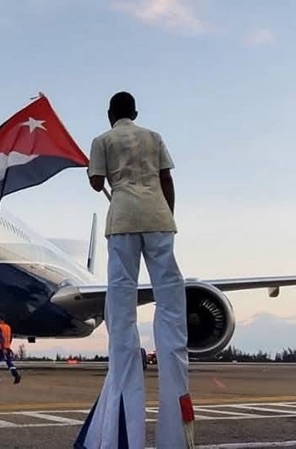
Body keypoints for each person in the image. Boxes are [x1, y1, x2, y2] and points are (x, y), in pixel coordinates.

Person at [74, 91, 193, 449]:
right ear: (136, 113)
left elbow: (97, 183)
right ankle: (175, 426)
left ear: (110, 114)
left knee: (121, 302)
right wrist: (167, 215)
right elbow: (166, 180)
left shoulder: (102, 140)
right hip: (158, 217)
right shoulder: (154, 137)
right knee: (170, 298)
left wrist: (93, 170)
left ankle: (125, 413)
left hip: (123, 218)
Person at [0, 314, 21, 384]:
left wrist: (3, 348)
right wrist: (8, 346)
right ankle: (16, 375)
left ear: (1, 320)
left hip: (1, 348)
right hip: (7, 348)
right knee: (9, 362)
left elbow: (1, 338)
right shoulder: (8, 327)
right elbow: (10, 337)